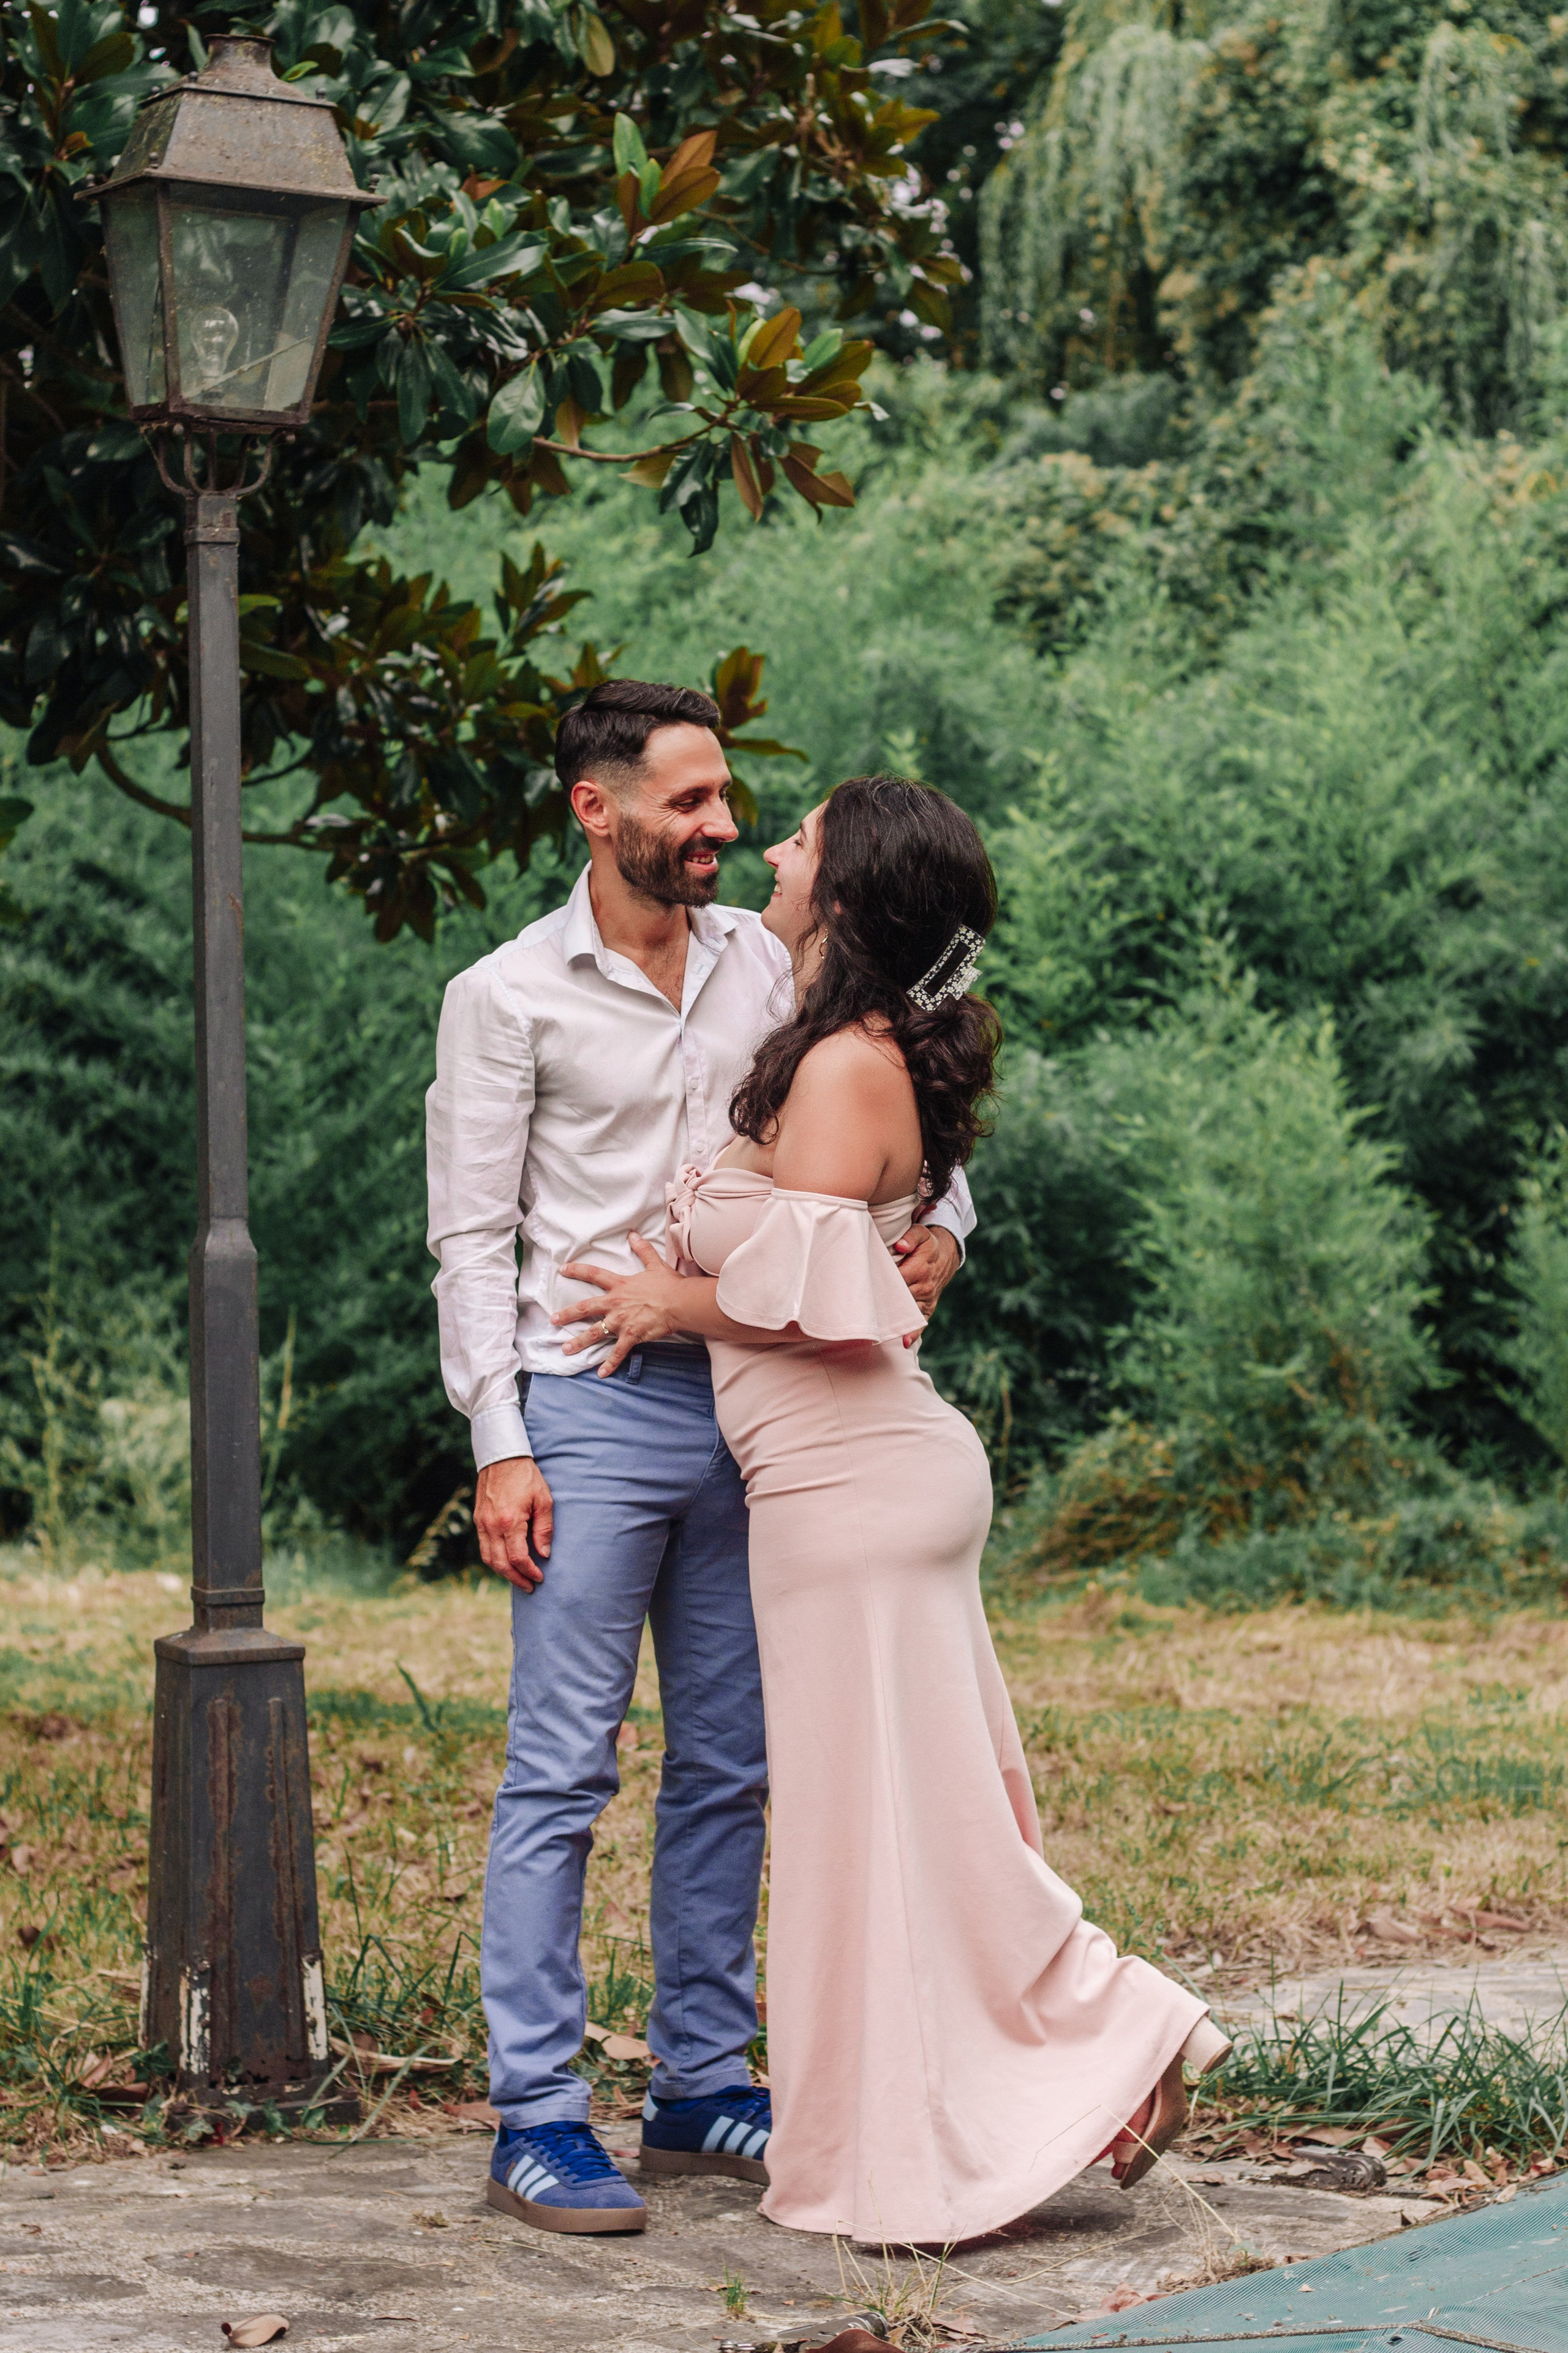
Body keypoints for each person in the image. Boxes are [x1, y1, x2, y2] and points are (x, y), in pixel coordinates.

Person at [554, 775, 1231, 2246]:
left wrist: (668, 1301)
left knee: (886, 1830)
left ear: (846, 895)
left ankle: (1118, 2029)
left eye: (798, 840)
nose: (770, 850)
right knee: (898, 1821)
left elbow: (819, 1303)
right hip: (840, 1481)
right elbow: (854, 1249)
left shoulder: (844, 1067)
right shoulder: (844, 1048)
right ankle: (1063, 2071)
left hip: (848, 1481)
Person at [424, 685, 974, 2237]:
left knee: (732, 1760)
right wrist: (499, 1444)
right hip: (588, 1403)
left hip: (763, 1405)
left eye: (728, 797)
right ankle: (538, 2114)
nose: (722, 826)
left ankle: (698, 2083)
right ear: (595, 809)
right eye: (688, 801)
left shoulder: (769, 955)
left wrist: (945, 1228)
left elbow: (911, 1073)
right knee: (562, 1764)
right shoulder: (503, 996)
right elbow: (468, 1239)